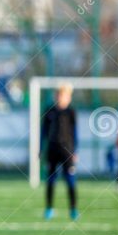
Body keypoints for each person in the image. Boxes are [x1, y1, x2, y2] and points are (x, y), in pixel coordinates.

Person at [40, 84, 78, 221]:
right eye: (59, 95)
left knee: (70, 180)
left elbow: (75, 133)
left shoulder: (71, 112)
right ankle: (49, 208)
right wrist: (40, 149)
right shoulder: (49, 111)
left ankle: (73, 209)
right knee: (51, 180)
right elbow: (43, 132)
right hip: (52, 149)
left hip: (67, 150)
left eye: (64, 95)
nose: (61, 98)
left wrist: (75, 151)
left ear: (68, 97)